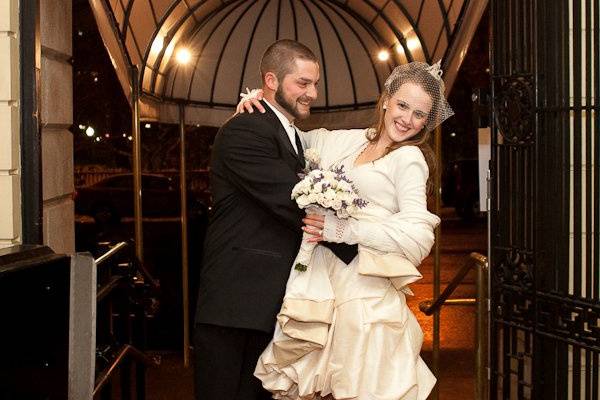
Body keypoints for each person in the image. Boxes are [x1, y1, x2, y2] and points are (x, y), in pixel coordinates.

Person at [236, 61, 453, 399]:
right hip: (324, 281)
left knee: (364, 385)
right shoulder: (350, 141)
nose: (407, 119)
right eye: (403, 105)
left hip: (365, 288)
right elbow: (290, 138)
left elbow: (419, 236)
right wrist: (258, 104)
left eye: (420, 114)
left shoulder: (409, 159)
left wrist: (346, 230)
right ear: (386, 100)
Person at [194, 39, 357, 400]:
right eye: (302, 83)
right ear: (271, 80)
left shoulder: (292, 134)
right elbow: (293, 202)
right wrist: (363, 245)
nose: (312, 93)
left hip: (265, 302)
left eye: (315, 83)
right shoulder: (245, 130)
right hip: (236, 303)